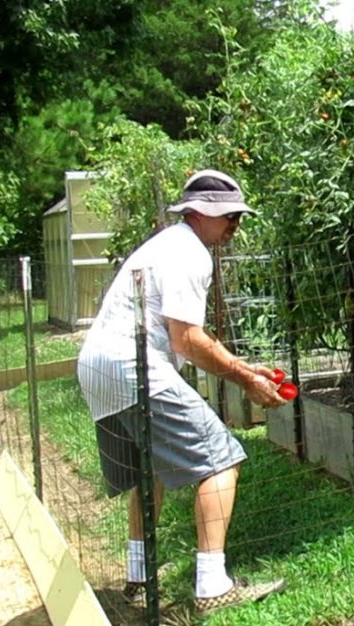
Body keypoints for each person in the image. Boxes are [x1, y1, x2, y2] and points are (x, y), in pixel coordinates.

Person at [77, 169, 287, 615]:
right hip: (131, 366)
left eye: (237, 216)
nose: (235, 224)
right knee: (222, 459)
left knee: (147, 468)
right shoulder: (191, 253)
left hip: (98, 365)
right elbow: (185, 340)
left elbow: (187, 335)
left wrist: (240, 366)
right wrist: (245, 379)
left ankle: (139, 575)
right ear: (198, 213)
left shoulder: (167, 244)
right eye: (227, 215)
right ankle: (212, 586)